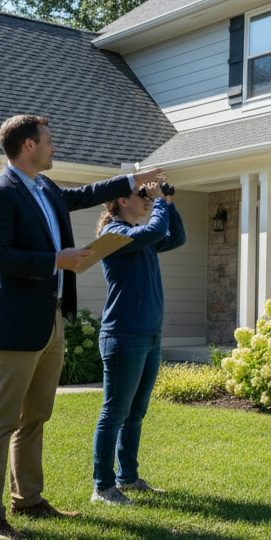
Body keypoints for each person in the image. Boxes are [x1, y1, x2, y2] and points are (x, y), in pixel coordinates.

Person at [0, 114, 165, 540]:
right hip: (16, 324)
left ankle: (29, 499)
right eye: (48, 141)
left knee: (36, 416)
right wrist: (55, 260)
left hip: (51, 318)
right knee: (1, 420)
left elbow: (87, 194)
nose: (54, 147)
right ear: (27, 146)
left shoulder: (46, 189)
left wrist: (131, 178)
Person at [90, 179, 186, 504]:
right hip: (123, 336)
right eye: (141, 195)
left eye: (148, 196)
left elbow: (176, 236)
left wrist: (167, 203)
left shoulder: (139, 238)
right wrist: (159, 202)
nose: (147, 200)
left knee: (135, 413)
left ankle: (127, 478)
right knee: (114, 413)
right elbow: (156, 231)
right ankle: (103, 487)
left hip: (149, 336)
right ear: (121, 201)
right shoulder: (114, 236)